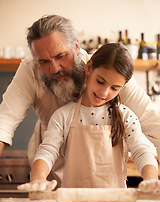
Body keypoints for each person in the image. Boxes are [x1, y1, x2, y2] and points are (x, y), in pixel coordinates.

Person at [0, 15, 159, 186]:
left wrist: (151, 180)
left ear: (76, 46)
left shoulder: (107, 70)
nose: (54, 68)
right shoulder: (34, 75)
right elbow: (5, 122)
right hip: (50, 176)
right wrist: (39, 179)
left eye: (61, 56)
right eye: (44, 61)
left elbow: (150, 129)